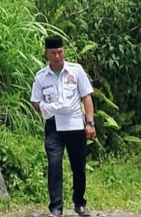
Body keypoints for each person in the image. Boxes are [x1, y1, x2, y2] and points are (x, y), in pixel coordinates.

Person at [30, 36, 96, 217]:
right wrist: (45, 108)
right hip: (54, 126)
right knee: (54, 164)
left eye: (60, 52)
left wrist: (90, 123)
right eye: (53, 53)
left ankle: (79, 203)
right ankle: (56, 206)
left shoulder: (76, 71)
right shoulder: (41, 76)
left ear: (64, 51)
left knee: (78, 166)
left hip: (75, 123)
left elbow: (87, 97)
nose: (58, 56)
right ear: (47, 54)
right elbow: (35, 101)